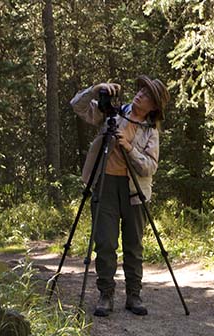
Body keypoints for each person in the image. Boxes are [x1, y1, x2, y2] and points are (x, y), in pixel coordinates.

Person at [70, 75, 170, 316]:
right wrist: (96, 89)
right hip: (105, 183)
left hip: (135, 190)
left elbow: (150, 167)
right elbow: (77, 106)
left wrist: (128, 146)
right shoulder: (112, 113)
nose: (140, 95)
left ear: (154, 107)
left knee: (134, 246)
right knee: (105, 242)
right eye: (140, 91)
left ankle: (134, 295)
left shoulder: (150, 131)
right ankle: (106, 295)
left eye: (146, 95)